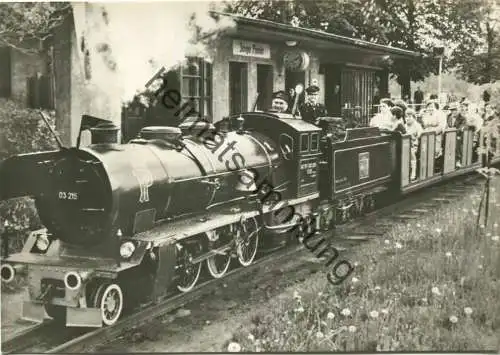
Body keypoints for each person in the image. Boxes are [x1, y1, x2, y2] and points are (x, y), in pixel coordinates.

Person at [447, 102, 468, 167]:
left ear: (458, 110)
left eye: (455, 110)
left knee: (457, 140)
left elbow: (462, 127)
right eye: (452, 110)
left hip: (459, 135)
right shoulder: (448, 117)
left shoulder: (462, 118)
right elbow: (447, 126)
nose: (453, 112)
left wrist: (454, 131)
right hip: (450, 134)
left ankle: (458, 160)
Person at [405, 108, 423, 180]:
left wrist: (414, 139)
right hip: (406, 144)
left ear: (414, 117)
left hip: (415, 145)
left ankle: (413, 172)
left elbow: (420, 134)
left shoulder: (417, 125)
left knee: (411, 152)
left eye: (409, 117)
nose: (407, 118)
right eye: (406, 117)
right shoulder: (405, 125)